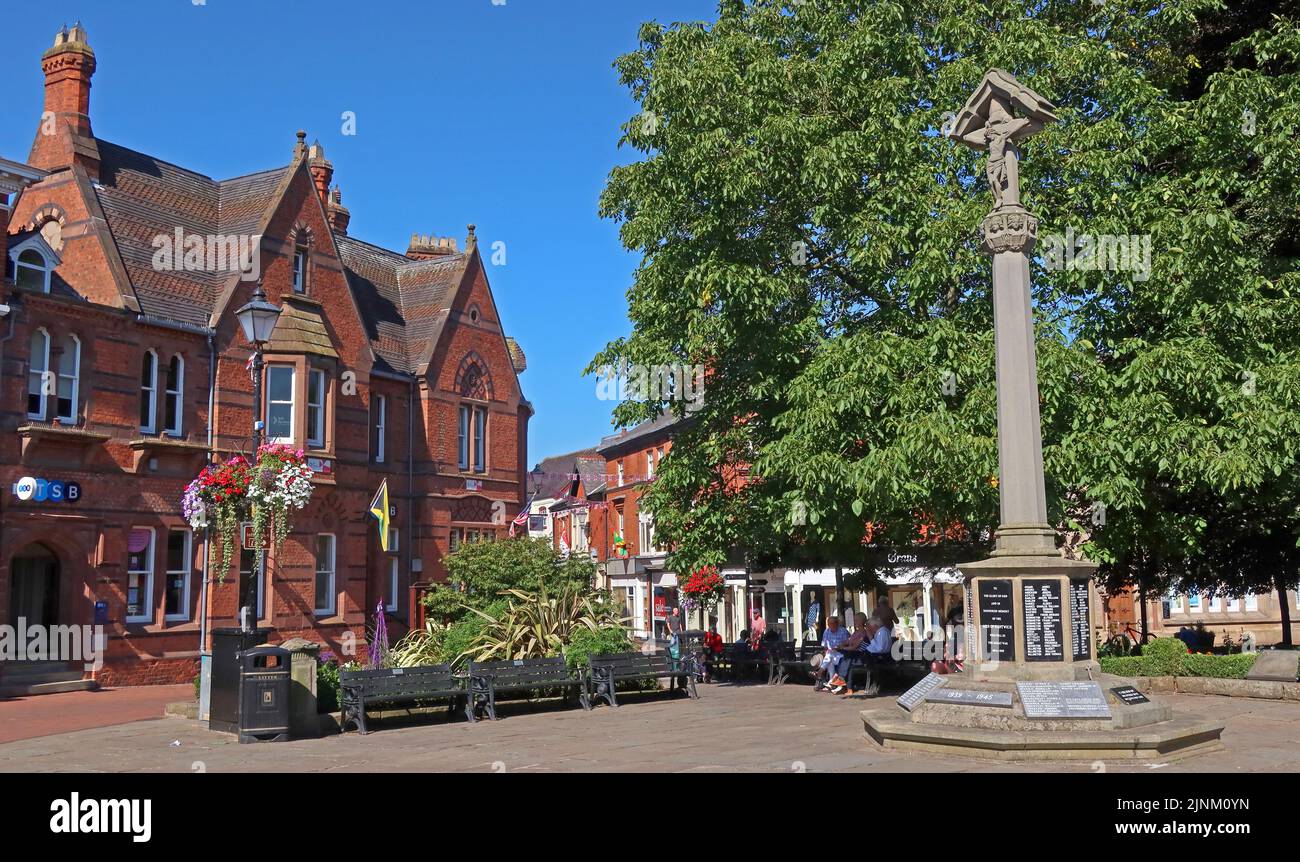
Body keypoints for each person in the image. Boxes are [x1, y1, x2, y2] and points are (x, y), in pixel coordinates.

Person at [815, 615, 850, 691]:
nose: (831, 625)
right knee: (829, 657)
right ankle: (831, 683)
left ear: (837, 623)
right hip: (831, 654)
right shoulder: (826, 631)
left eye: (833, 623)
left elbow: (848, 643)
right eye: (829, 624)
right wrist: (827, 650)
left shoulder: (843, 631)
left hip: (841, 653)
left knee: (829, 657)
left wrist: (839, 647)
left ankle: (820, 672)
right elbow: (824, 645)